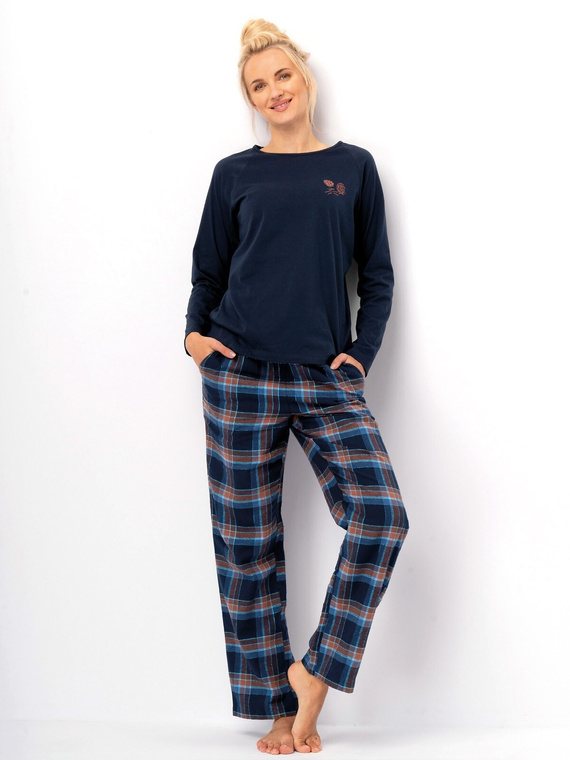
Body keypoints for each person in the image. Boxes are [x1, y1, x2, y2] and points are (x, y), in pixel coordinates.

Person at [184, 19, 409, 755]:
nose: (273, 91)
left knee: (381, 515)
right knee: (247, 547)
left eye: (282, 75)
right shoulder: (234, 174)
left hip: (323, 376)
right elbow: (208, 271)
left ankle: (314, 673)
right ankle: (277, 713)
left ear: (303, 78)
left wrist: (361, 355)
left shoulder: (353, 167)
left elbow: (376, 276)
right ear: (250, 99)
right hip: (239, 374)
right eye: (258, 85)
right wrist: (194, 336)